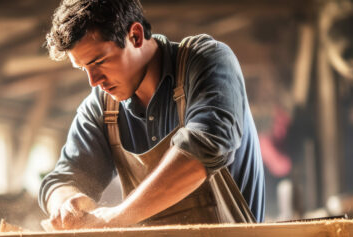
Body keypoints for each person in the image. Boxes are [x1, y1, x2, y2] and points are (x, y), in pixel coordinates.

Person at [39, 0, 265, 230]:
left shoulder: (207, 62)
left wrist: (114, 218)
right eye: (83, 68)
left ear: (135, 36)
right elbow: (62, 179)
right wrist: (67, 202)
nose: (93, 80)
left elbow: (204, 147)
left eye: (99, 62)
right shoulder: (100, 108)